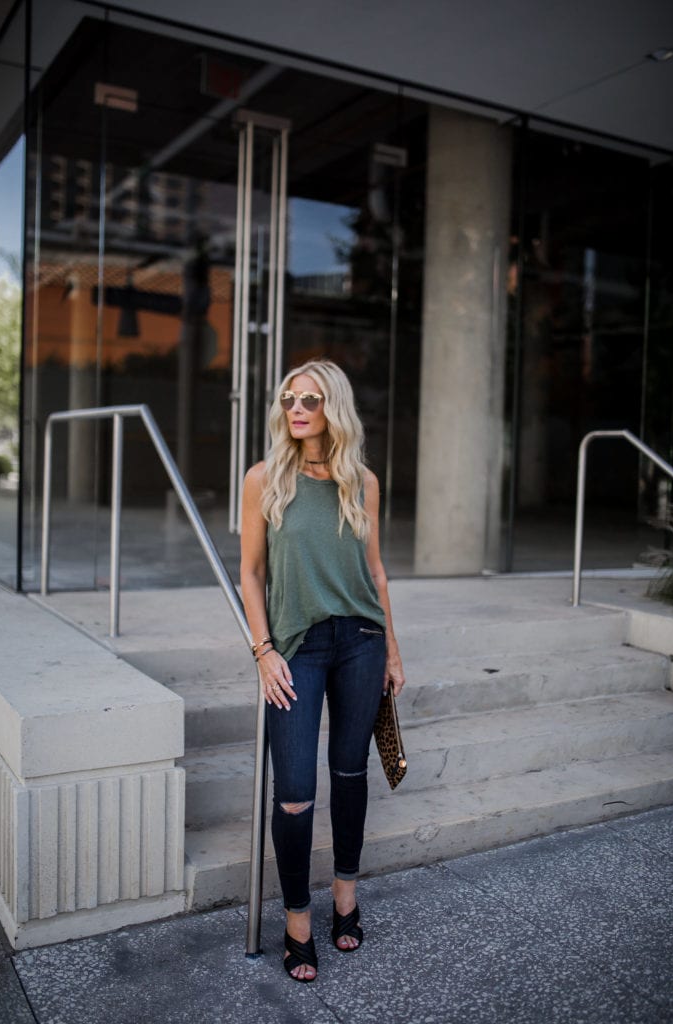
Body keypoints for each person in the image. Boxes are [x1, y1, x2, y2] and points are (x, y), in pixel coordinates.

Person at [240, 358, 405, 983]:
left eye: (310, 398)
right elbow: (251, 572)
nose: (297, 408)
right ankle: (297, 920)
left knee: (350, 773)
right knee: (293, 793)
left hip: (361, 640)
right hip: (295, 647)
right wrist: (263, 650)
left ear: (333, 406)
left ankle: (345, 895)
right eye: (289, 398)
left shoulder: (363, 482)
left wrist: (393, 651)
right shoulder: (265, 478)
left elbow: (376, 571)